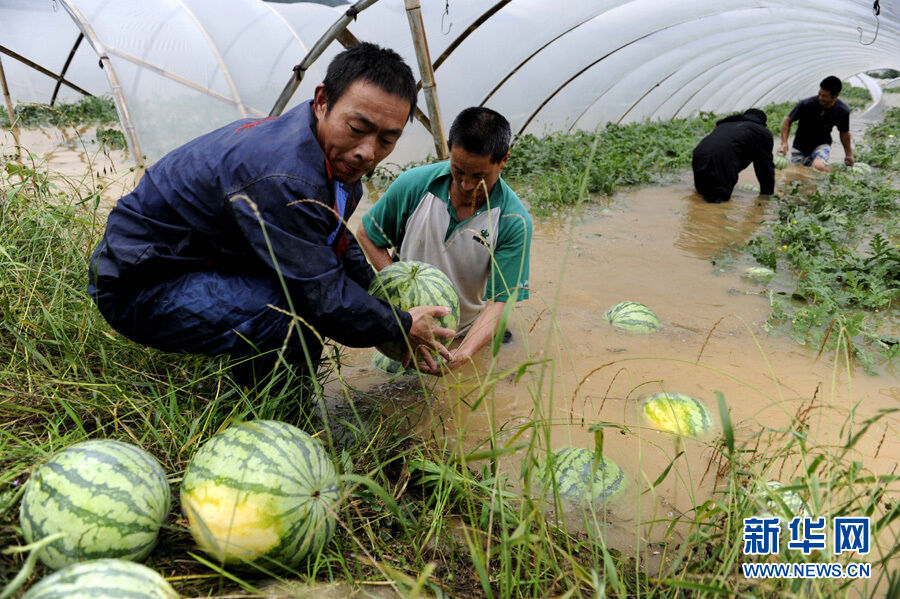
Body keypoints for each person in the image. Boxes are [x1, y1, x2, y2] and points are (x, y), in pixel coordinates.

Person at [88, 43, 455, 388]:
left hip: (191, 259)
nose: (367, 152)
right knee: (295, 315)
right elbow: (323, 298)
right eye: (357, 129)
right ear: (322, 101)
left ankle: (261, 377)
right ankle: (273, 414)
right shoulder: (286, 179)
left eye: (387, 140)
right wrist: (399, 324)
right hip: (140, 285)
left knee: (309, 292)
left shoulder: (330, 157)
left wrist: (379, 299)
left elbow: (332, 241)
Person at [356, 107, 532, 375]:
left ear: (504, 160)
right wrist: (399, 290)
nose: (466, 185)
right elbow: (368, 235)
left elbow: (500, 302)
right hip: (408, 325)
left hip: (466, 331)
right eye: (458, 171)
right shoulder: (413, 185)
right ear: (450, 150)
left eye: (479, 176)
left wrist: (464, 353)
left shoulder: (513, 220)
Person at [691, 108, 775, 203]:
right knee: (718, 203)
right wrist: (767, 195)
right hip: (721, 160)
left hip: (699, 155)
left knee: (700, 197)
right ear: (763, 122)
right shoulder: (762, 132)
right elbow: (764, 167)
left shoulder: (726, 124)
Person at [778, 75, 854, 172]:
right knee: (797, 174)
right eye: (819, 94)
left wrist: (849, 154)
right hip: (800, 146)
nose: (820, 98)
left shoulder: (842, 110)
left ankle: (829, 175)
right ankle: (829, 171)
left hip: (822, 144)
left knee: (818, 166)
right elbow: (787, 122)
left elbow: (844, 133)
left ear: (835, 96)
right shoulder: (806, 104)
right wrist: (784, 143)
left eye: (824, 96)